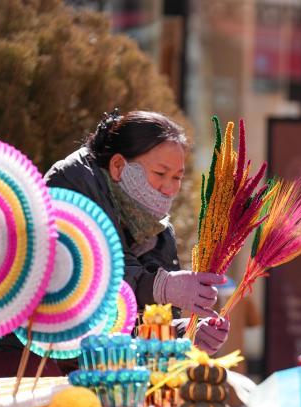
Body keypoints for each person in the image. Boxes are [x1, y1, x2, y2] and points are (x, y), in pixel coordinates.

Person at [45, 109, 229, 355]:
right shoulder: (72, 187)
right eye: (160, 174)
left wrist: (185, 333)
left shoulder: (155, 227)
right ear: (118, 166)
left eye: (177, 177)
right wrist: (160, 286)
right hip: (37, 357)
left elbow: (133, 331)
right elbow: (85, 279)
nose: (170, 188)